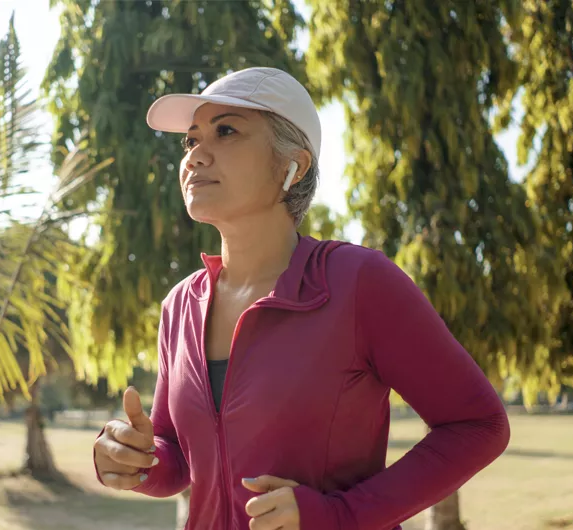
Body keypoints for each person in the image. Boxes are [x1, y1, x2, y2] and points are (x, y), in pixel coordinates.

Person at [92, 67, 510, 530]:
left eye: (225, 131)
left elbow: (478, 426)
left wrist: (340, 515)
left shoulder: (359, 282)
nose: (194, 156)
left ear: (293, 165)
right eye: (190, 141)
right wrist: (133, 459)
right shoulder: (180, 305)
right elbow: (179, 461)